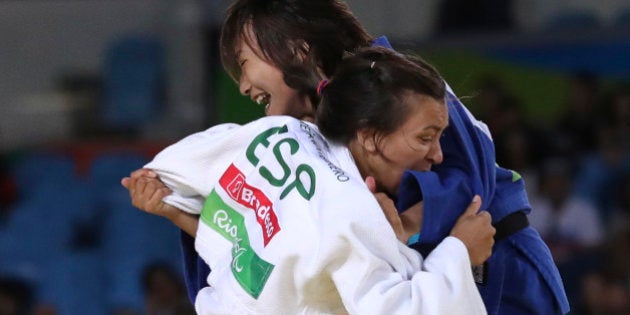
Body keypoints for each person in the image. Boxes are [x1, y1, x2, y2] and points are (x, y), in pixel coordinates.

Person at [123, 0, 569, 314]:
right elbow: (276, 248)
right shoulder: (301, 143)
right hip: (423, 284)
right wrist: (175, 210)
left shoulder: (395, 81)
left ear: (293, 46)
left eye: (243, 64)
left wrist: (409, 226)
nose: (242, 86)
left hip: (501, 268)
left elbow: (469, 178)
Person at [141, 47, 494, 314]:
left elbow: (176, 167)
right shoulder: (352, 215)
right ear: (370, 136)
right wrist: (461, 252)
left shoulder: (281, 132)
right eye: (425, 137)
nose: (438, 155)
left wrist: (168, 200)